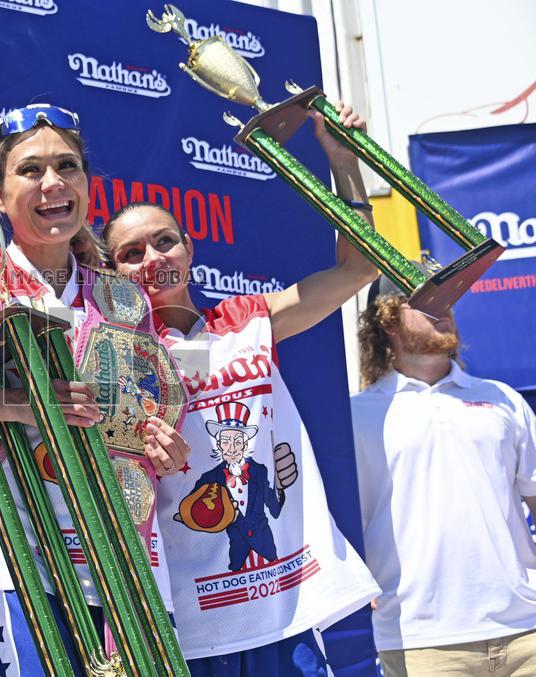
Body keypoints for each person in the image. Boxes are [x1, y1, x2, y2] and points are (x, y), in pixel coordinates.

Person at [0, 103, 188, 675]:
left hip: (124, 554)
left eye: (67, 166)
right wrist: (18, 403)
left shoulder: (124, 299)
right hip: (18, 552)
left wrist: (159, 447)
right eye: (30, 170)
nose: (53, 183)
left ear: (87, 184)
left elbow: (144, 413)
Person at [101, 101, 382, 676]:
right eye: (131, 254)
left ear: (189, 250)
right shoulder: (108, 356)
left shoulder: (246, 321)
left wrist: (343, 162)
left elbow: (358, 271)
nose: (152, 259)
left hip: (282, 607)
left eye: (164, 242)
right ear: (111, 274)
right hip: (185, 619)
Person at [351, 274, 536, 677]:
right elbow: (337, 521)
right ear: (388, 322)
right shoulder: (353, 415)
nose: (445, 309)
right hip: (421, 641)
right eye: (428, 303)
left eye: (448, 301)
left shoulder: (502, 398)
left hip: (528, 631)